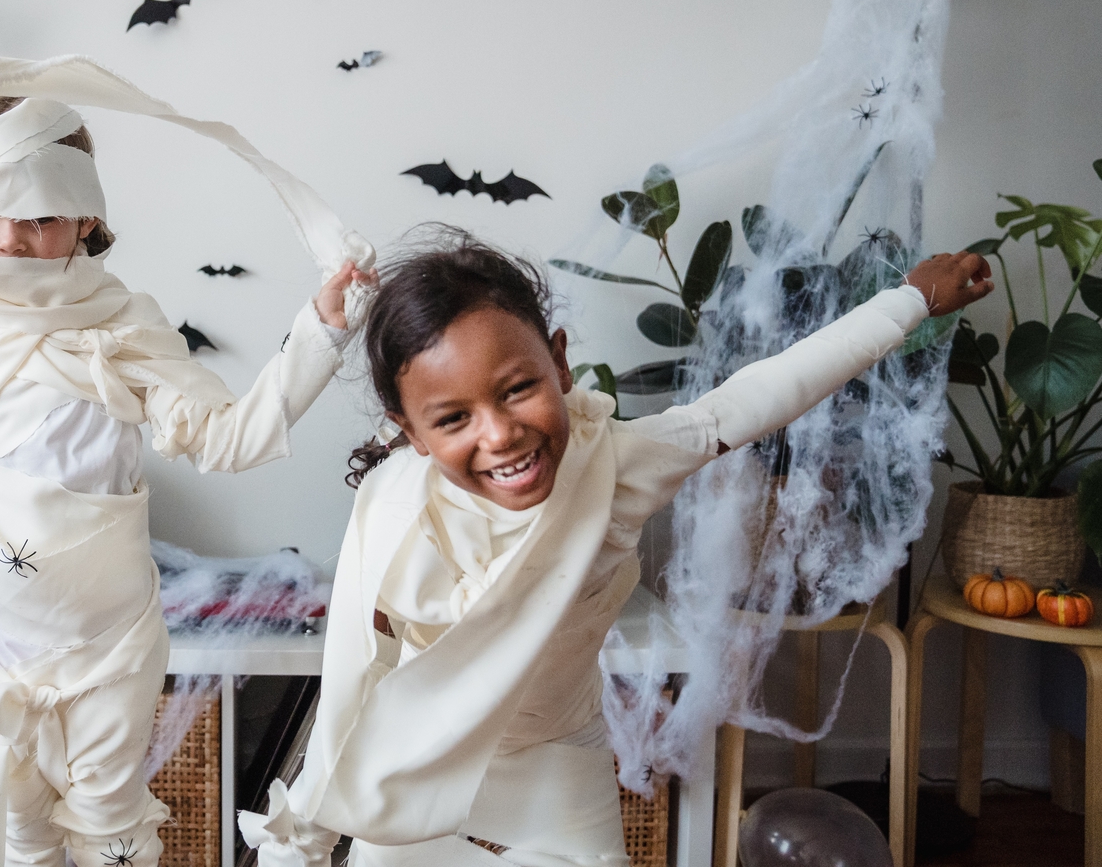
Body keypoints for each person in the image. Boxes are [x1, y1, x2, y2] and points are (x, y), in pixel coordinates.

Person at [239, 228, 991, 867]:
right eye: (453, 418)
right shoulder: (395, 506)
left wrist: (908, 301)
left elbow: (760, 396)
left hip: (557, 762)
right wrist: (305, 833)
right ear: (411, 431)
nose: (500, 434)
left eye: (517, 388)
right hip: (414, 765)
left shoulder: (620, 465)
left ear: (559, 362)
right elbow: (353, 675)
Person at [0, 95, 373, 867]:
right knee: (21, 827)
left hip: (111, 643)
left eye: (38, 217)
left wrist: (321, 331)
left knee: (112, 831)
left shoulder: (125, 331)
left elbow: (227, 438)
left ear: (85, 218)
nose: (10, 240)